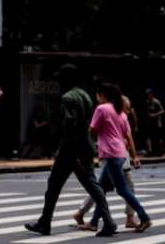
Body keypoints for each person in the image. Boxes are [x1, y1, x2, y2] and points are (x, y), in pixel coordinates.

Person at [24, 64, 116, 237]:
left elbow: (70, 126)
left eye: (61, 77)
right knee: (91, 185)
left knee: (54, 186)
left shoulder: (67, 98)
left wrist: (68, 151)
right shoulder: (85, 95)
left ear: (67, 79)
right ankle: (108, 222)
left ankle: (45, 223)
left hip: (71, 150)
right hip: (85, 147)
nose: (58, 80)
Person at [73, 92, 148, 231]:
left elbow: (94, 130)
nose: (127, 111)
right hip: (116, 155)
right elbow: (126, 136)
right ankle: (140, 217)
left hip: (114, 155)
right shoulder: (116, 114)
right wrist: (134, 156)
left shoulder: (114, 113)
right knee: (118, 188)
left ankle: (92, 219)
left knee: (107, 189)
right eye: (126, 107)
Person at [145, 89, 165, 155]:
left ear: (151, 94)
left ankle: (160, 151)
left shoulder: (156, 101)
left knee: (158, 137)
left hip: (157, 123)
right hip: (150, 122)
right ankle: (150, 151)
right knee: (149, 136)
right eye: (147, 95)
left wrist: (155, 114)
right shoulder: (147, 102)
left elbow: (162, 111)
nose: (148, 96)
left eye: (149, 94)